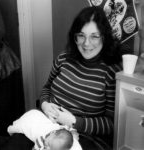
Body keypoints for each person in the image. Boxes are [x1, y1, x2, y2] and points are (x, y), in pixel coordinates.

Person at [39, 6, 123, 150]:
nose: (86, 43)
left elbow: (111, 123)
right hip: (47, 124)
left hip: (84, 136)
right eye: (81, 35)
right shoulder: (63, 58)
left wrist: (74, 121)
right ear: (75, 36)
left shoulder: (111, 72)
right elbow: (46, 88)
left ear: (104, 37)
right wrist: (44, 104)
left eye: (94, 36)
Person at [7, 109, 81, 150]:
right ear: (53, 132)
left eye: (51, 149)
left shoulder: (59, 133)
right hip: (33, 121)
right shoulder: (41, 140)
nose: (47, 147)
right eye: (48, 144)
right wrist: (73, 132)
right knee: (19, 126)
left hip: (36, 118)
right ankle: (10, 129)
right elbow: (68, 127)